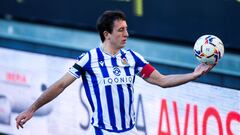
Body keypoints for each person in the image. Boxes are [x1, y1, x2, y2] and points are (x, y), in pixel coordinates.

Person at [15, 10, 214, 134]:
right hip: (105, 131)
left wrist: (194, 74)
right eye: (121, 30)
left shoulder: (132, 58)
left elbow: (162, 80)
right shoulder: (89, 59)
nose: (126, 34)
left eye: (126, 29)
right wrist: (32, 108)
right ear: (106, 34)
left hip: (130, 130)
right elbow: (59, 85)